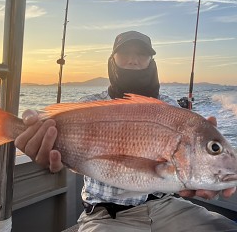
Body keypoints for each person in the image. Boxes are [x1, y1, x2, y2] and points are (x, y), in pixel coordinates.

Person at [15, 31, 237, 232]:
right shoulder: (89, 105)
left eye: (142, 54)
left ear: (152, 61)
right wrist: (37, 125)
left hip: (165, 206)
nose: (133, 60)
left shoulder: (171, 108)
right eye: (125, 54)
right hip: (105, 216)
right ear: (112, 60)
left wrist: (210, 168)